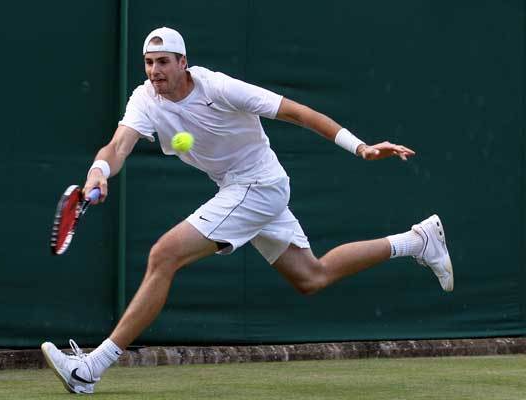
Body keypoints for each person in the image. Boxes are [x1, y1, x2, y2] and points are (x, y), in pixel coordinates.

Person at [41, 27, 453, 394]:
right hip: (241, 189)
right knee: (313, 275)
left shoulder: (219, 88)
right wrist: (99, 172)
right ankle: (417, 240)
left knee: (163, 256)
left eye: (163, 62)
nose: (154, 71)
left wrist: (359, 146)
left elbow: (297, 112)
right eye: (148, 63)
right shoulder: (145, 100)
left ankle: (91, 369)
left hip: (259, 185)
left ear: (184, 63)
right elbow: (118, 146)